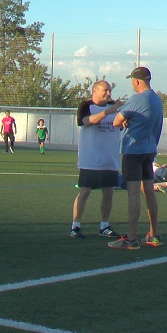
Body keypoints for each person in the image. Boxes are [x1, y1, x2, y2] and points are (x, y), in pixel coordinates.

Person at [109, 66, 164, 250]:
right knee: (149, 192)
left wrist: (125, 120)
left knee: (133, 194)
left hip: (133, 151)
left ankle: (131, 238)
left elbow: (116, 121)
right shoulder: (156, 99)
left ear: (137, 81)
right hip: (149, 150)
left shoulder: (137, 98)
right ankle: (153, 234)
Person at [70, 80, 123, 239]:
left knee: (108, 192)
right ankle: (75, 226)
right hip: (90, 159)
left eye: (110, 90)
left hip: (110, 159)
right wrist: (107, 112)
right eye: (105, 90)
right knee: (85, 191)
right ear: (95, 90)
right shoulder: (86, 106)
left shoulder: (115, 107)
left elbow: (122, 124)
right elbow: (87, 122)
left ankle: (104, 226)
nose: (108, 93)